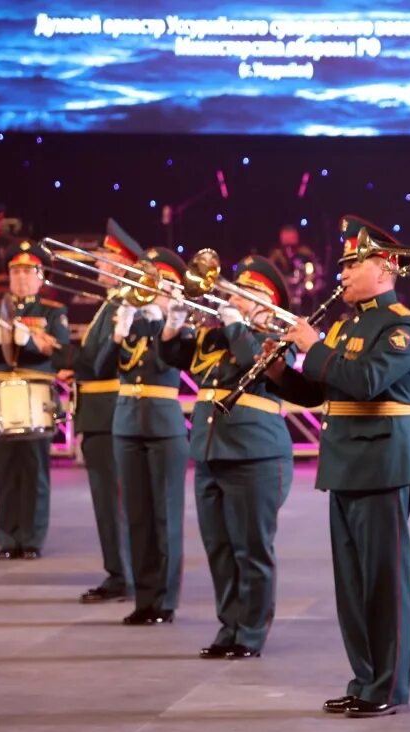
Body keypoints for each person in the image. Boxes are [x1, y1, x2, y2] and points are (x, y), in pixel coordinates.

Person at [262, 216, 410, 717]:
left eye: (354, 264)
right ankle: (364, 679)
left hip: (381, 465)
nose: (344, 273)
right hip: (345, 464)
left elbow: (367, 380)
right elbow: (318, 391)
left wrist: (315, 348)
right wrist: (277, 370)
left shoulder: (402, 325)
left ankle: (388, 685)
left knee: (383, 582)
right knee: (351, 584)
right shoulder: (345, 324)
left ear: (385, 268)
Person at [159, 256, 295, 659]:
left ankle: (251, 632)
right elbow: (173, 356)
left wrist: (236, 321)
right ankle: (229, 625)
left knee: (250, 548)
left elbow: (253, 362)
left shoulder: (278, 335)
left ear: (268, 302)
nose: (235, 295)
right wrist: (173, 323)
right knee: (219, 548)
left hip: (254, 456)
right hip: (209, 451)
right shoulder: (215, 336)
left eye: (248, 292)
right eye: (237, 289)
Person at [96, 247, 189, 626]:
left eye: (162, 284)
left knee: (165, 516)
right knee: (137, 515)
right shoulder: (131, 321)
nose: (153, 290)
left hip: (164, 425)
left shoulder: (178, 325)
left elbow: (173, 362)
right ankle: (144, 597)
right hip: (127, 424)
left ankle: (165, 600)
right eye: (150, 282)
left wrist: (170, 324)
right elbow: (99, 368)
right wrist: (117, 334)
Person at [0, 241, 70, 559]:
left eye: (28, 271)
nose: (22, 277)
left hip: (36, 394)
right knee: (6, 472)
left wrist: (31, 342)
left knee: (35, 470)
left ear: (40, 277)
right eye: (16, 271)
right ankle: (8, 538)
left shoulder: (52, 312)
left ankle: (32, 539)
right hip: (2, 395)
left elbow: (62, 350)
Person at [75, 219, 139, 603]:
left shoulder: (122, 304)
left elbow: (100, 363)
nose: (98, 264)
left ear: (120, 264)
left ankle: (121, 574)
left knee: (111, 500)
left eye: (104, 258)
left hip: (107, 412)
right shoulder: (111, 302)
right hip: (100, 411)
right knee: (109, 500)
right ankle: (121, 571)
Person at [267, 224, 321, 312]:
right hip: (282, 298)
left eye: (292, 245)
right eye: (286, 246)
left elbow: (315, 275)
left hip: (303, 298)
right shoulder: (276, 257)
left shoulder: (306, 255)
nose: (289, 250)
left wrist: (309, 282)